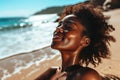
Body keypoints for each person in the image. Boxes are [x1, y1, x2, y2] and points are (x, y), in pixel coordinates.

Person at [35, 3, 115, 80]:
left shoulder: (88, 75)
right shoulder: (51, 72)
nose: (58, 29)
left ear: (85, 41)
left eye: (68, 27)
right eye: (59, 25)